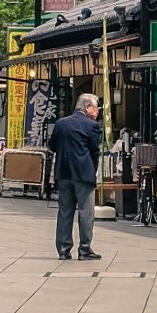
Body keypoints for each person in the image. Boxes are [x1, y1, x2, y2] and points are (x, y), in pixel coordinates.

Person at [51, 91, 104, 261]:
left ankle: (64, 249)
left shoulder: (60, 124)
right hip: (83, 174)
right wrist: (92, 169)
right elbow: (95, 150)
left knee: (65, 211)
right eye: (96, 109)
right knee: (85, 212)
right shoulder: (91, 126)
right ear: (87, 107)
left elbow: (52, 145)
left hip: (63, 173)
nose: (97, 113)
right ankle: (85, 248)